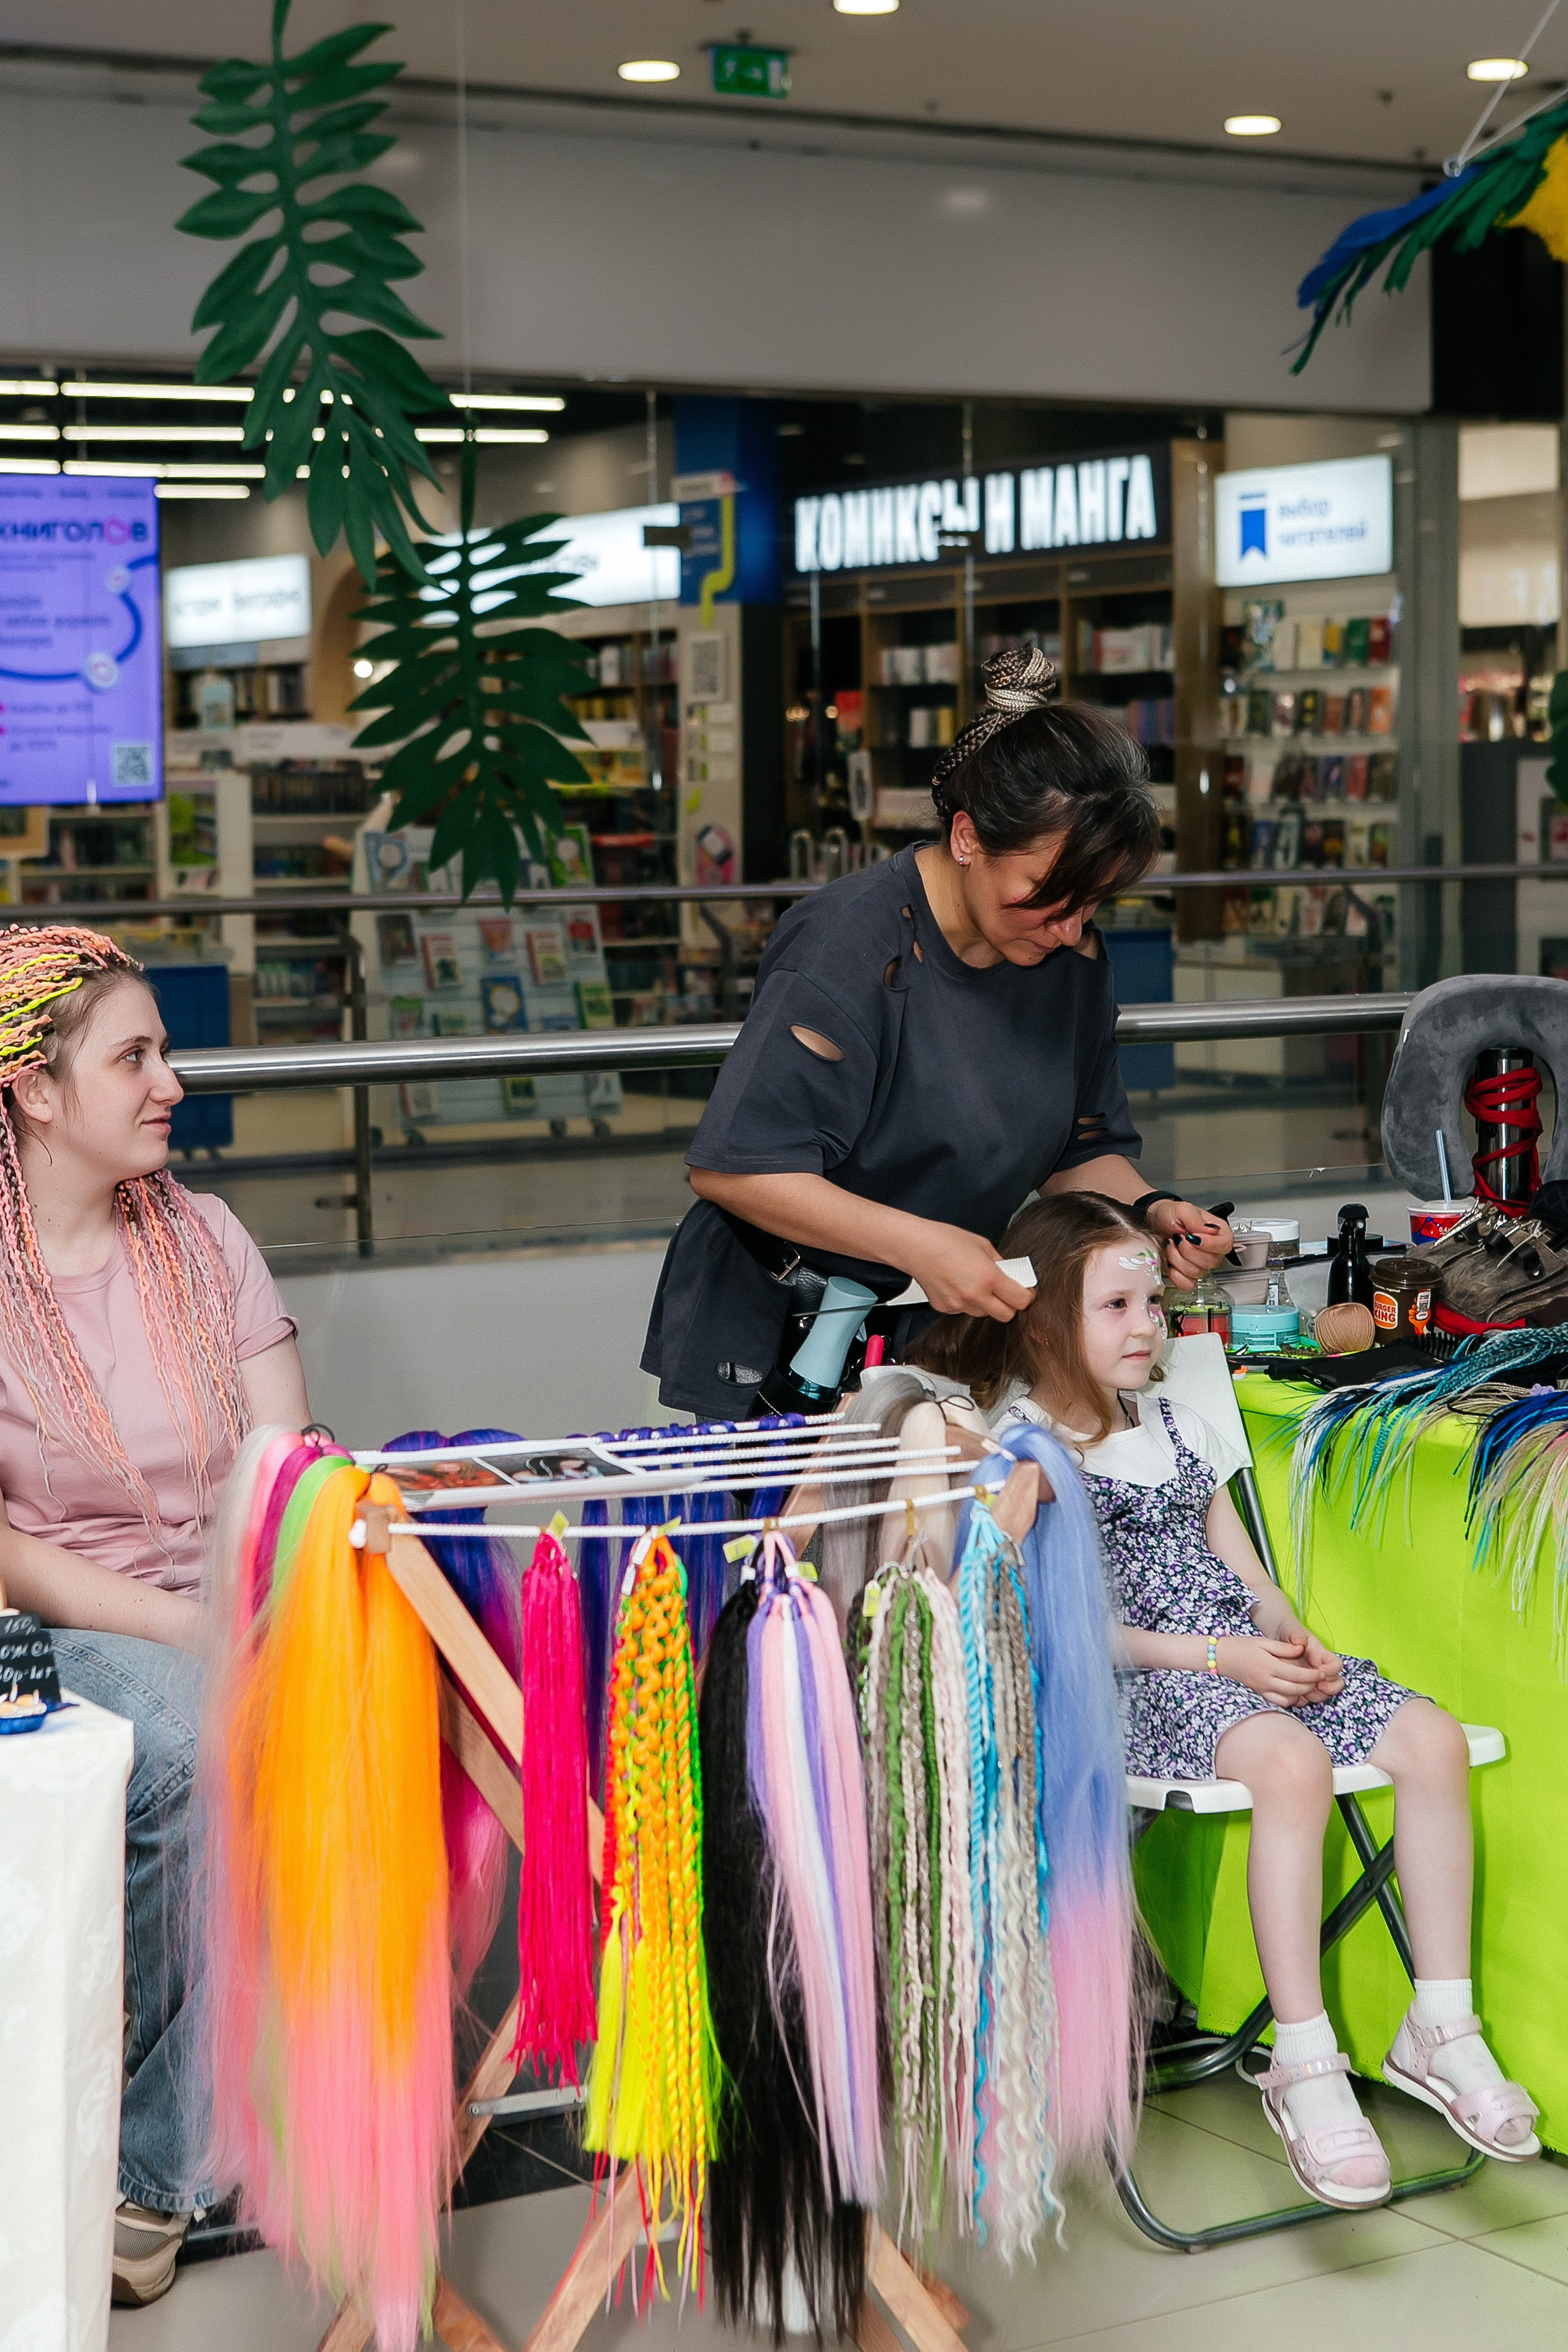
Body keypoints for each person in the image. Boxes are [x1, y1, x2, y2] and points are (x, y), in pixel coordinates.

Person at [912, 1189, 1541, 2212]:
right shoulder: (1022, 1450)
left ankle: (1440, 2023)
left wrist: (1292, 1639)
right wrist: (1219, 1658)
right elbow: (1054, 1628)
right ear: (1045, 1323)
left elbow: (1246, 1573)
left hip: (1238, 1663)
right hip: (1131, 1684)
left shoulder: (1178, 1420)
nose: (1146, 1327)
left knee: (1428, 1741)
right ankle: (1302, 2055)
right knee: (1292, 1762)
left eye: (1153, 1306)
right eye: (1117, 1307)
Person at [643, 645, 1231, 1421]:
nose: (1069, 929)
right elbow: (737, 1169)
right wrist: (920, 1245)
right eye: (1045, 896)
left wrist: (1150, 1211)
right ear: (966, 838)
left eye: (1092, 903)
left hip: (940, 1325)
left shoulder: (1071, 957)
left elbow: (1077, 1147)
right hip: (784, 1325)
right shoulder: (850, 946)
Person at [0, 925, 309, 2305]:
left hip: (231, 1596)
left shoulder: (206, 1237)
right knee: (192, 1744)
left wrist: (280, 1600)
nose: (172, 1083)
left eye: (165, 1053)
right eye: (134, 1058)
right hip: (67, 1622)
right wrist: (196, 1634)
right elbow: (10, 1554)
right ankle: (154, 2166)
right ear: (35, 1090)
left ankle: (330, 2106)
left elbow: (288, 1457)